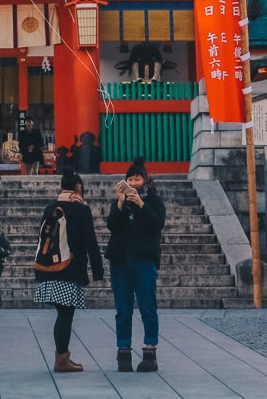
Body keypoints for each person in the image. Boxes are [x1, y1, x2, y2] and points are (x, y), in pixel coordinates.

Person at [33, 171, 103, 373]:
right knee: (65, 315)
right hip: (70, 270)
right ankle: (61, 359)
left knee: (62, 314)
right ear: (79, 188)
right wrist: (97, 271)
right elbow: (90, 241)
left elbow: (42, 240)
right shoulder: (81, 210)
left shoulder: (50, 208)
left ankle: (62, 356)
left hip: (49, 268)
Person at [106, 158, 165, 373]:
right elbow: (111, 225)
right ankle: (124, 351)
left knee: (148, 306)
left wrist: (140, 204)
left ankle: (150, 351)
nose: (133, 182)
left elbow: (157, 223)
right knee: (123, 309)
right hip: (120, 261)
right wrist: (121, 203)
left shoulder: (154, 200)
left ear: (145, 179)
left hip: (144, 260)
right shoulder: (120, 202)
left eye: (137, 178)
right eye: (130, 178)